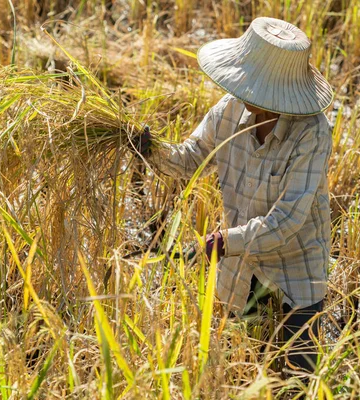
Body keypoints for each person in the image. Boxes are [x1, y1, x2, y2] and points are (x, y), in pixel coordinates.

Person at [136, 17, 334, 378]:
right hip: (244, 266)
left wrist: (227, 241)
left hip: (296, 269)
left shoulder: (312, 134)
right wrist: (152, 150)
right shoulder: (228, 112)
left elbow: (288, 220)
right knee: (245, 371)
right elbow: (190, 158)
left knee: (295, 380)